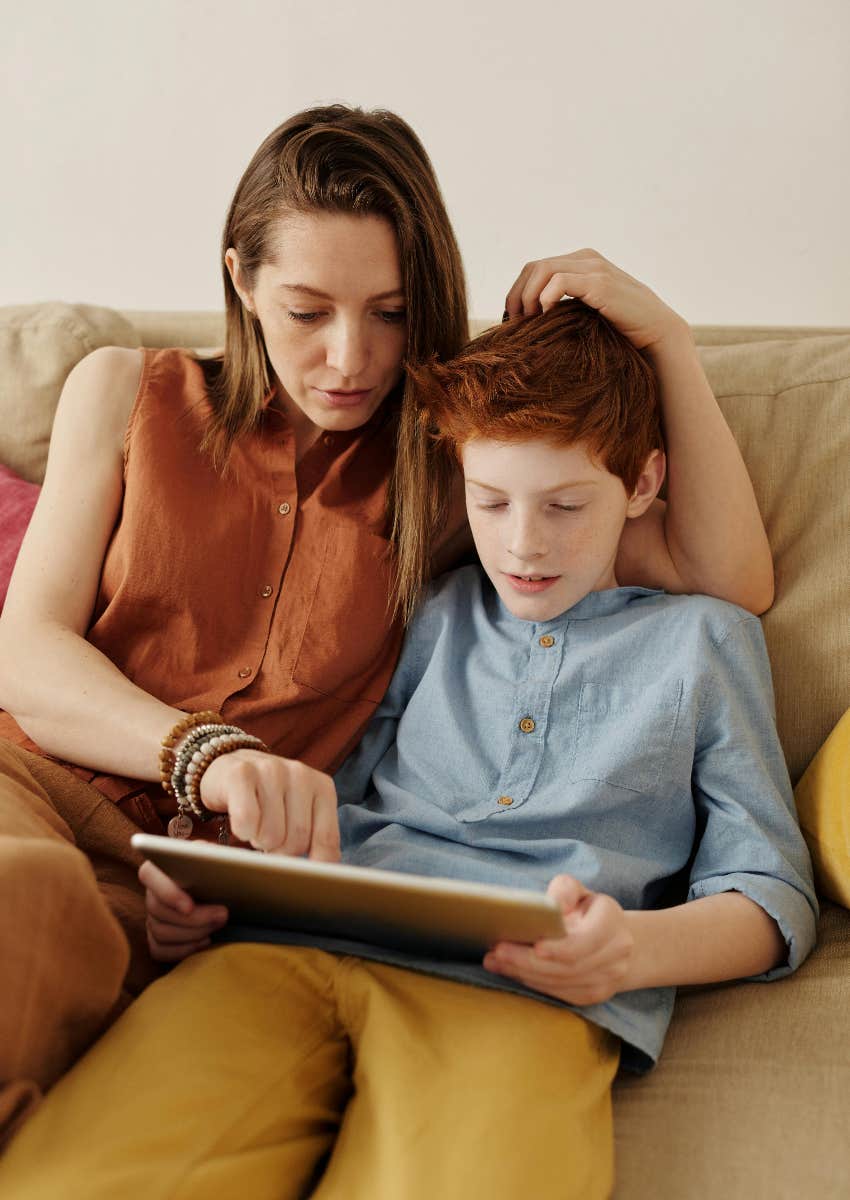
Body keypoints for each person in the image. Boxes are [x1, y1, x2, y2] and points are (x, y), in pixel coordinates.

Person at [0, 102, 773, 1145]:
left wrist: (665, 337)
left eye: (392, 312)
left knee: (59, 970)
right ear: (240, 280)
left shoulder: (464, 468)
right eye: (307, 311)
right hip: (31, 791)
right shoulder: (125, 391)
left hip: (185, 887)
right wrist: (208, 755)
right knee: (20, 893)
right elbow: (24, 654)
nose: (349, 358)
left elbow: (719, 578)